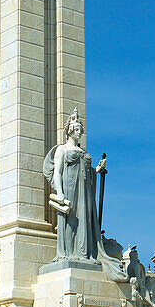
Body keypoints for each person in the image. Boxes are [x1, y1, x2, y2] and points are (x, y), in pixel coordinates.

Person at [43, 108, 105, 261]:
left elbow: (87, 172)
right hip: (69, 189)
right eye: (76, 129)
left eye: (80, 129)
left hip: (84, 191)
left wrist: (97, 169)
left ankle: (83, 254)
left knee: (85, 219)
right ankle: (68, 253)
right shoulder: (62, 149)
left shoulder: (82, 151)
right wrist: (60, 193)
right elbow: (57, 172)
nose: (79, 132)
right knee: (71, 220)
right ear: (69, 131)